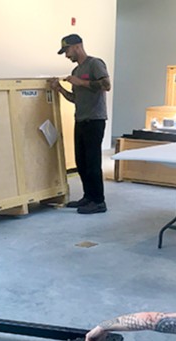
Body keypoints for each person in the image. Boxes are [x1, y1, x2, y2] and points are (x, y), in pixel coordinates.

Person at [51, 34, 111, 214]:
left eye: (67, 51)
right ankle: (88, 197)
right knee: (81, 162)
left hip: (95, 120)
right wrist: (60, 89)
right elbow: (75, 98)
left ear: (77, 47)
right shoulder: (76, 71)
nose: (66, 55)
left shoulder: (95, 64)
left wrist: (81, 82)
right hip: (81, 119)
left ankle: (99, 201)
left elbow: (106, 85)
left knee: (93, 162)